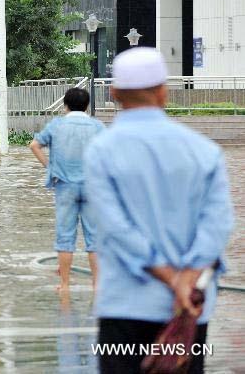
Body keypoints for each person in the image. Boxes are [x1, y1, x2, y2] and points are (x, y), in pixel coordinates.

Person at [84, 48, 233, 374]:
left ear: (114, 92)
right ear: (164, 91)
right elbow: (218, 225)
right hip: (188, 311)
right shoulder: (204, 152)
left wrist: (169, 277)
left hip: (125, 307)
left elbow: (115, 227)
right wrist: (187, 279)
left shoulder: (100, 153)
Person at [29, 88, 105, 294]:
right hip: (92, 187)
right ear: (87, 106)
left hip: (64, 186)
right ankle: (97, 286)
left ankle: (64, 285)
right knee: (94, 238)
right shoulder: (97, 126)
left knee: (65, 237)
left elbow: (34, 145)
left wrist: (50, 167)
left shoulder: (57, 125)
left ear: (65, 105)